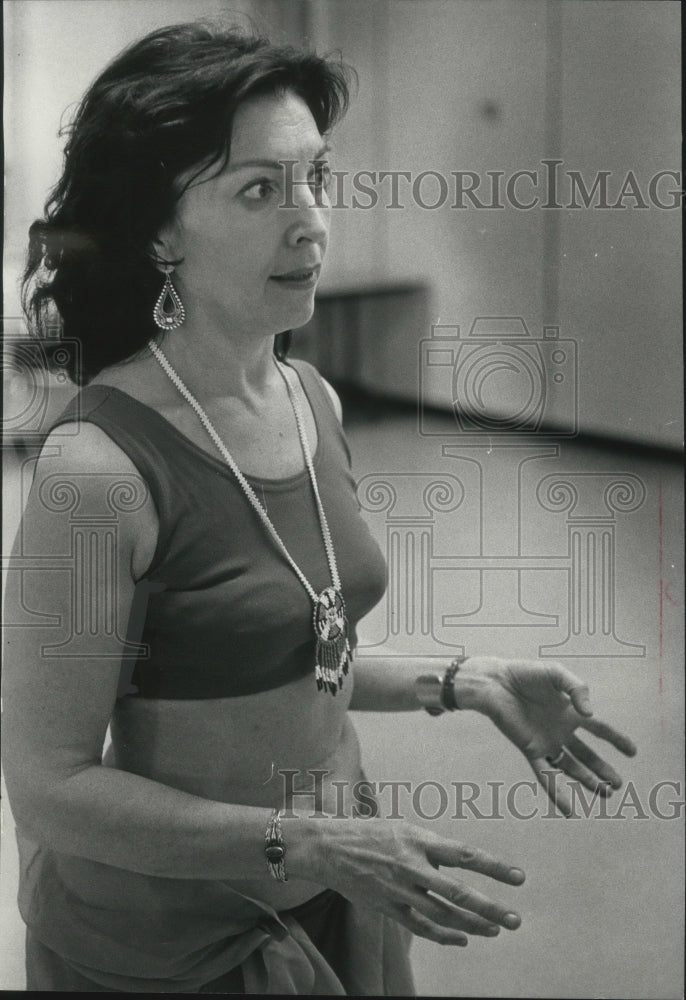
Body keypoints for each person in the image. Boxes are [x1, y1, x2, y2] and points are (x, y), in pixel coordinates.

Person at [3, 21, 636, 994]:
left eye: (317, 177)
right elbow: (49, 788)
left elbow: (290, 647)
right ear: (159, 230)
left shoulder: (309, 398)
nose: (310, 222)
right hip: (180, 941)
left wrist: (461, 678)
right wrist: (303, 841)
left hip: (331, 878)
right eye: (260, 188)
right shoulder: (98, 467)